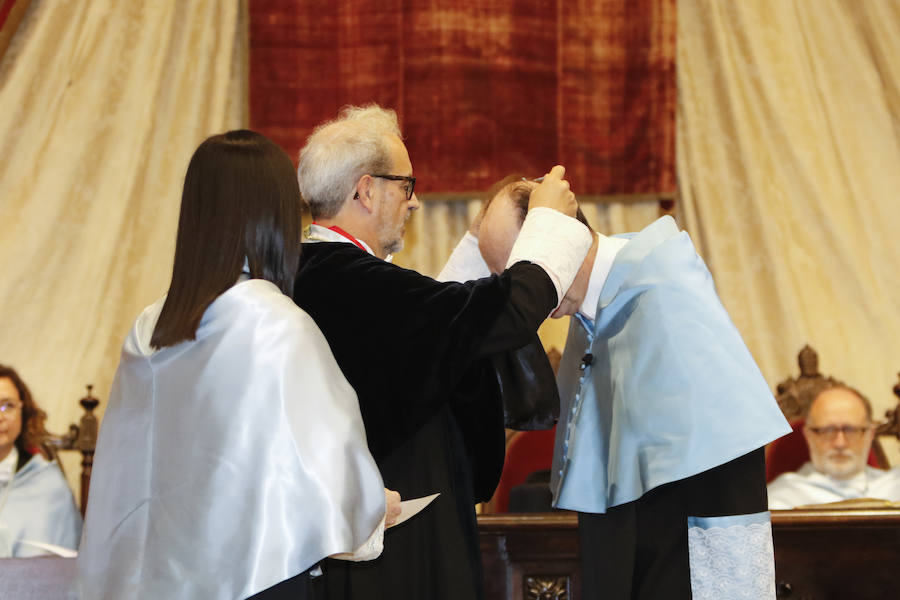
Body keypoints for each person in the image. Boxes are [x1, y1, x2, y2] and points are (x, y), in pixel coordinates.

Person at [77, 130, 396, 600]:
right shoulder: (272, 324)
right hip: (256, 581)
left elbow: (128, 480)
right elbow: (333, 476)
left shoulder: (148, 327)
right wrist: (375, 507)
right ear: (277, 217)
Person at [293, 105, 593, 600]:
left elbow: (433, 336)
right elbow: (504, 314)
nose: (416, 203)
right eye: (407, 186)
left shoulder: (313, 272)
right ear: (366, 191)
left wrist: (480, 241)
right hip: (398, 549)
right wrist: (549, 224)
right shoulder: (357, 283)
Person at [474, 179, 792, 600]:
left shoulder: (662, 286)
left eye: (520, 270)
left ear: (562, 236)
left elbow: (718, 475)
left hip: (688, 548)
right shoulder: (591, 313)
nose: (520, 291)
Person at [768, 384, 900, 509]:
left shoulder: (894, 486)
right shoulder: (781, 497)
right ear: (808, 436)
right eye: (828, 431)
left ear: (870, 435)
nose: (840, 444)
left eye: (850, 430)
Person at [0, 364, 82, 557]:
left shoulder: (49, 486)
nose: (0, 417)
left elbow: (67, 568)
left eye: (7, 406)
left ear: (23, 412)